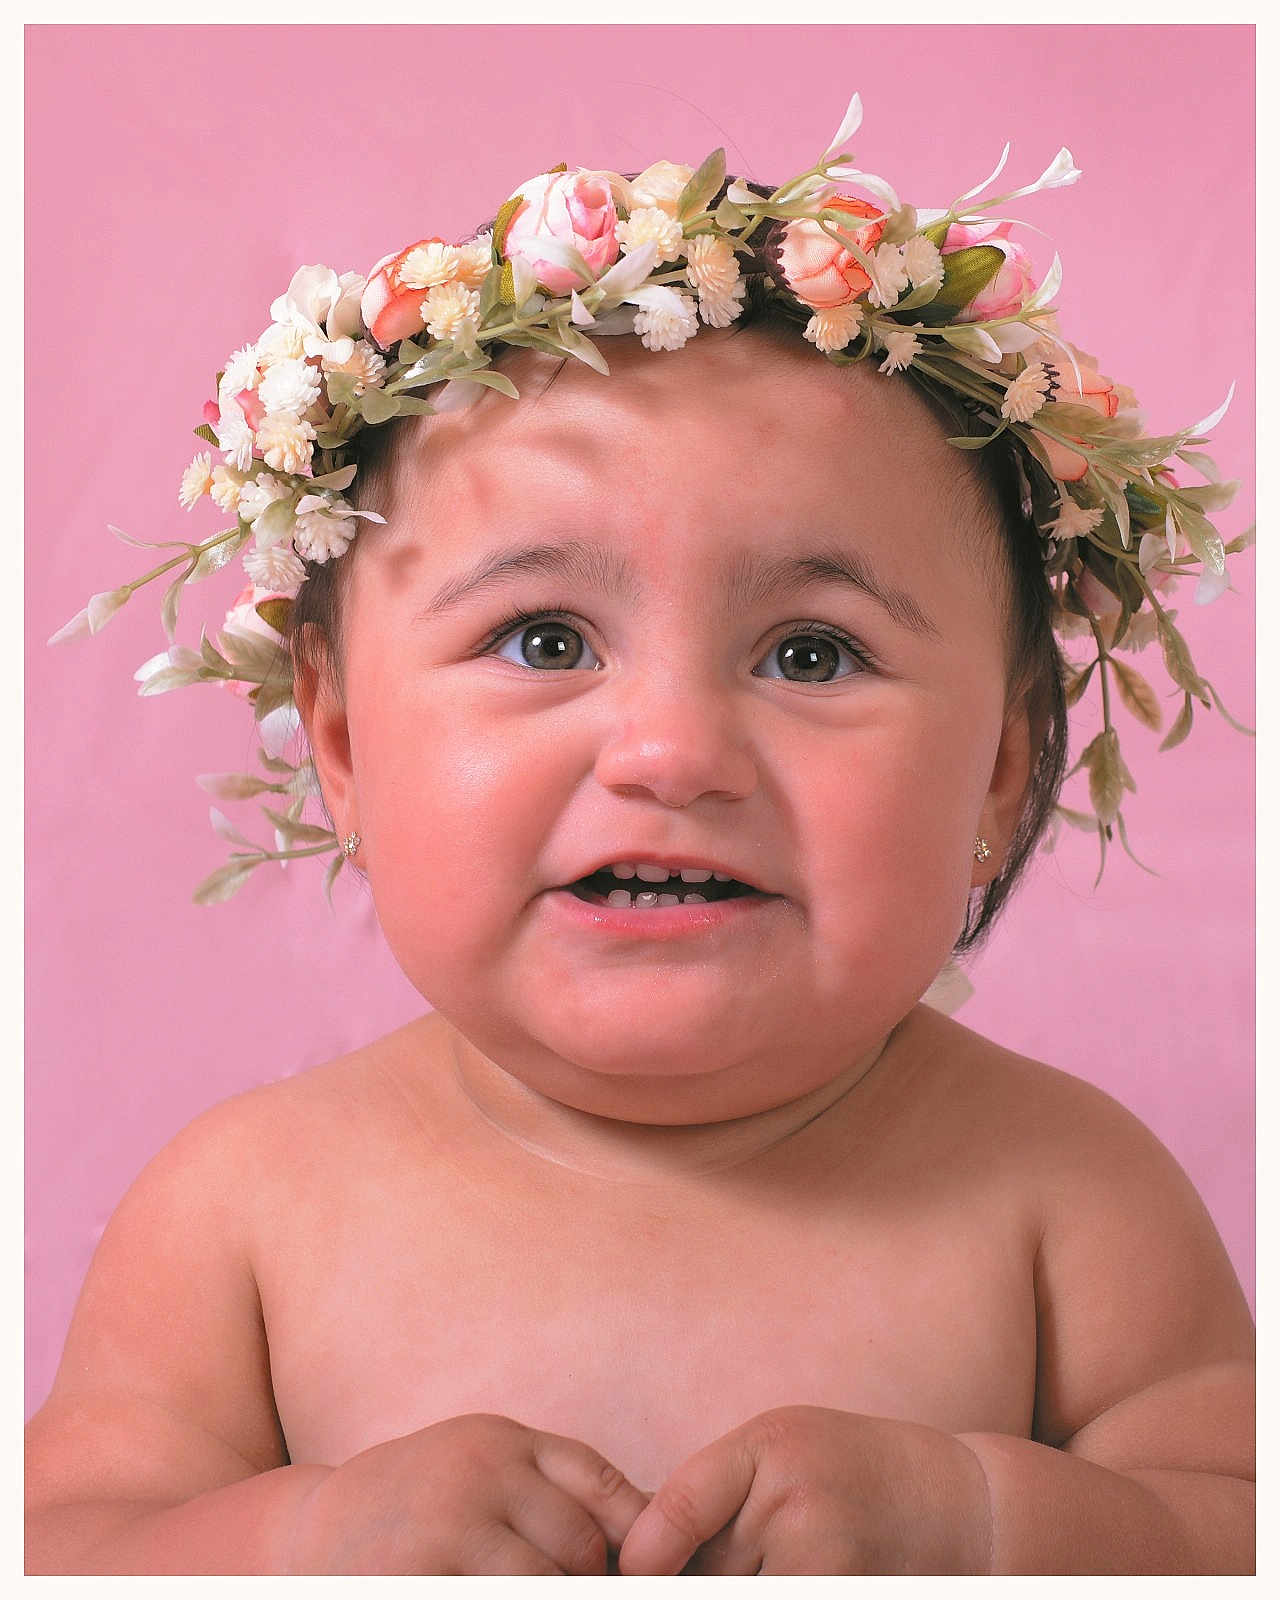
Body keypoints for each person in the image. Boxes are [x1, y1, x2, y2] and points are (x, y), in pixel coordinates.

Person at [27, 98, 1254, 1574]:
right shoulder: (241, 1213)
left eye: (811, 654)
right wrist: (302, 1540)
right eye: (544, 640)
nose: (673, 751)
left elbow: (1234, 1529)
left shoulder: (1073, 1200)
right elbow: (66, 1546)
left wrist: (989, 1527)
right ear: (341, 745)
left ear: (999, 772)